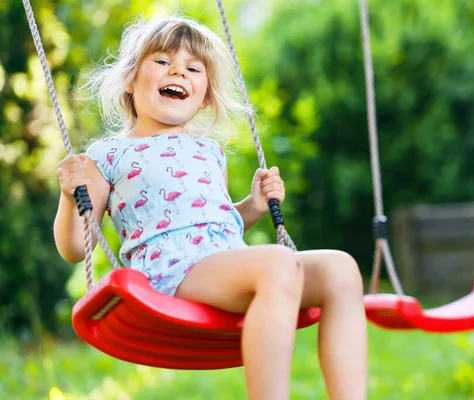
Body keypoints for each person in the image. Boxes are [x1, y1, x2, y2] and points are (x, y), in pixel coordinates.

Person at [52, 14, 367, 400]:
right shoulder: (109, 154)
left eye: (193, 68)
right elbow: (75, 248)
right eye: (163, 62)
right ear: (131, 81)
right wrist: (70, 198)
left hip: (223, 263)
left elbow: (215, 224)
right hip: (170, 274)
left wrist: (252, 206)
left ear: (205, 98)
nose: (178, 72)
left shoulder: (208, 151)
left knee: (341, 269)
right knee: (280, 264)